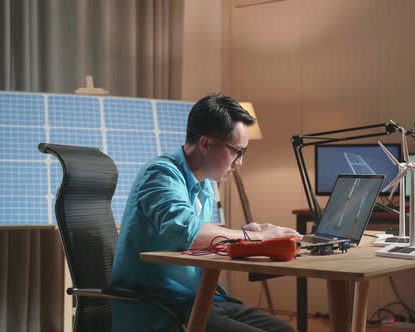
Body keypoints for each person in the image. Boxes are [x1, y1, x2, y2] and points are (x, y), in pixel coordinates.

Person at [111, 93, 300, 332]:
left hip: (201, 300)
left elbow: (202, 243)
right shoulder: (161, 174)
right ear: (206, 144)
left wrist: (245, 236)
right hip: (161, 306)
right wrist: (255, 237)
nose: (240, 162)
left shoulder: (206, 186)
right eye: (237, 151)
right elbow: (187, 232)